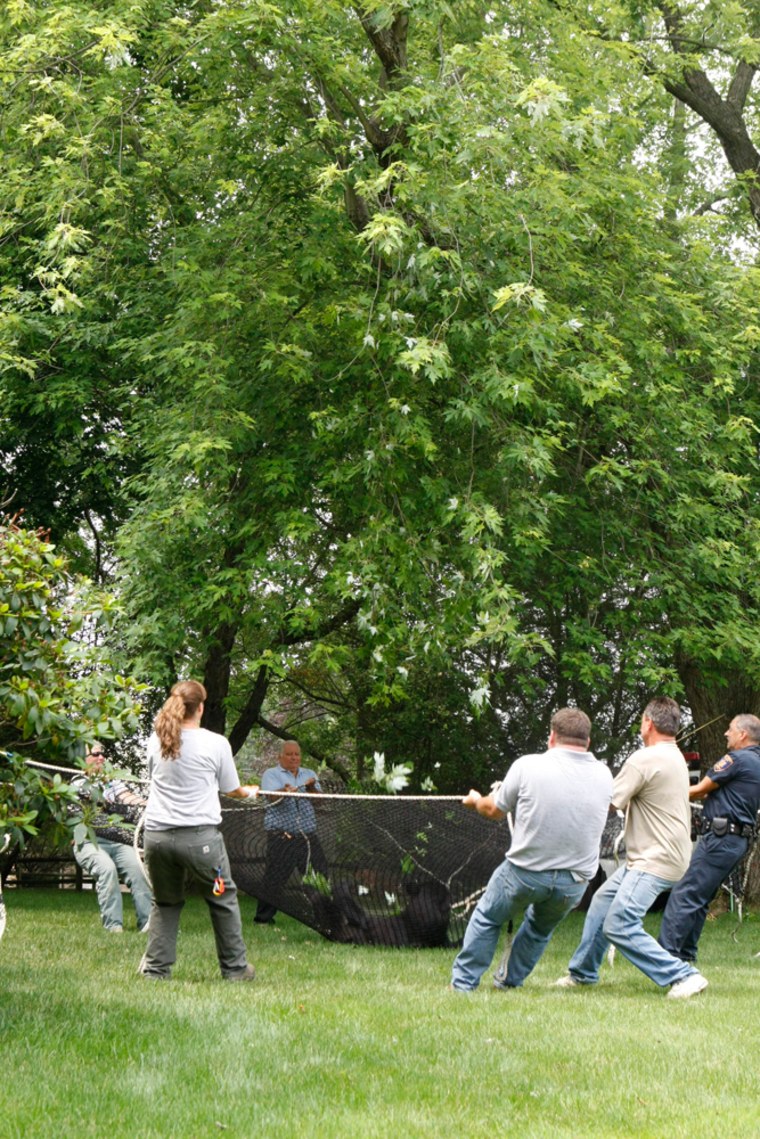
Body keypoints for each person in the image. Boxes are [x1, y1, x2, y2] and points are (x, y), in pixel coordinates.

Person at [554, 696, 708, 999]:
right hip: (662, 855)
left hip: (655, 859)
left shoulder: (644, 759)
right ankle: (583, 973)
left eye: (641, 721)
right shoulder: (674, 755)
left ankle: (683, 975)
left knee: (619, 923)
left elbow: (608, 804)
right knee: (602, 902)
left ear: (648, 723)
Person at [450, 708, 612, 992]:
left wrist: (476, 800)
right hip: (574, 884)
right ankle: (509, 983)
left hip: (524, 874)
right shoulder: (604, 773)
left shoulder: (527, 765)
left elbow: (493, 810)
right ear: (587, 742)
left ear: (551, 737)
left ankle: (463, 985)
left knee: (488, 917)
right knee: (538, 930)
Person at [138, 680, 258, 981]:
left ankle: (155, 971)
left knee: (165, 903)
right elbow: (232, 790)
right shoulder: (216, 743)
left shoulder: (157, 740)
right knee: (223, 896)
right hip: (202, 845)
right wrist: (250, 791)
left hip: (157, 841)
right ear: (201, 707)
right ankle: (235, 970)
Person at [658, 714, 760, 964]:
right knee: (700, 898)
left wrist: (661, 793)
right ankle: (685, 955)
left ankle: (664, 958)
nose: (726, 734)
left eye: (730, 730)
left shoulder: (736, 759)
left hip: (720, 838)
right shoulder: (756, 762)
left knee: (685, 893)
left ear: (743, 734)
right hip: (736, 841)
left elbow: (701, 788)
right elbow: (718, 794)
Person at [72, 743, 153, 934]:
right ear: (84, 760)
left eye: (103, 753)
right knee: (107, 870)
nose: (101, 757)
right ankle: (114, 927)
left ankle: (149, 924)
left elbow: (129, 798)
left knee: (139, 871)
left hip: (118, 841)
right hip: (89, 842)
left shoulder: (112, 782)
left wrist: (151, 804)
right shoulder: (76, 783)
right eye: (96, 754)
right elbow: (88, 799)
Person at [254, 739, 329, 925]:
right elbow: (270, 797)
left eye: (296, 754)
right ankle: (263, 919)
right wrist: (284, 791)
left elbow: (320, 802)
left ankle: (324, 917)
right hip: (281, 835)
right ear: (280, 756)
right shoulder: (271, 774)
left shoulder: (309, 774)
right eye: (289, 754)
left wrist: (311, 787)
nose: (294, 757)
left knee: (320, 875)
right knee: (274, 878)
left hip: (307, 835)